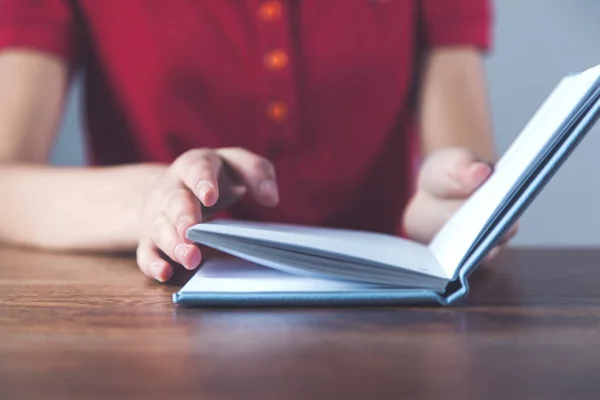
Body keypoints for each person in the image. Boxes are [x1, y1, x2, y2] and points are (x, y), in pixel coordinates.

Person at [0, 0, 515, 282]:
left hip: (382, 312)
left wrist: (453, 207)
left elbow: (457, 178)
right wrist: (154, 199)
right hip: (156, 311)